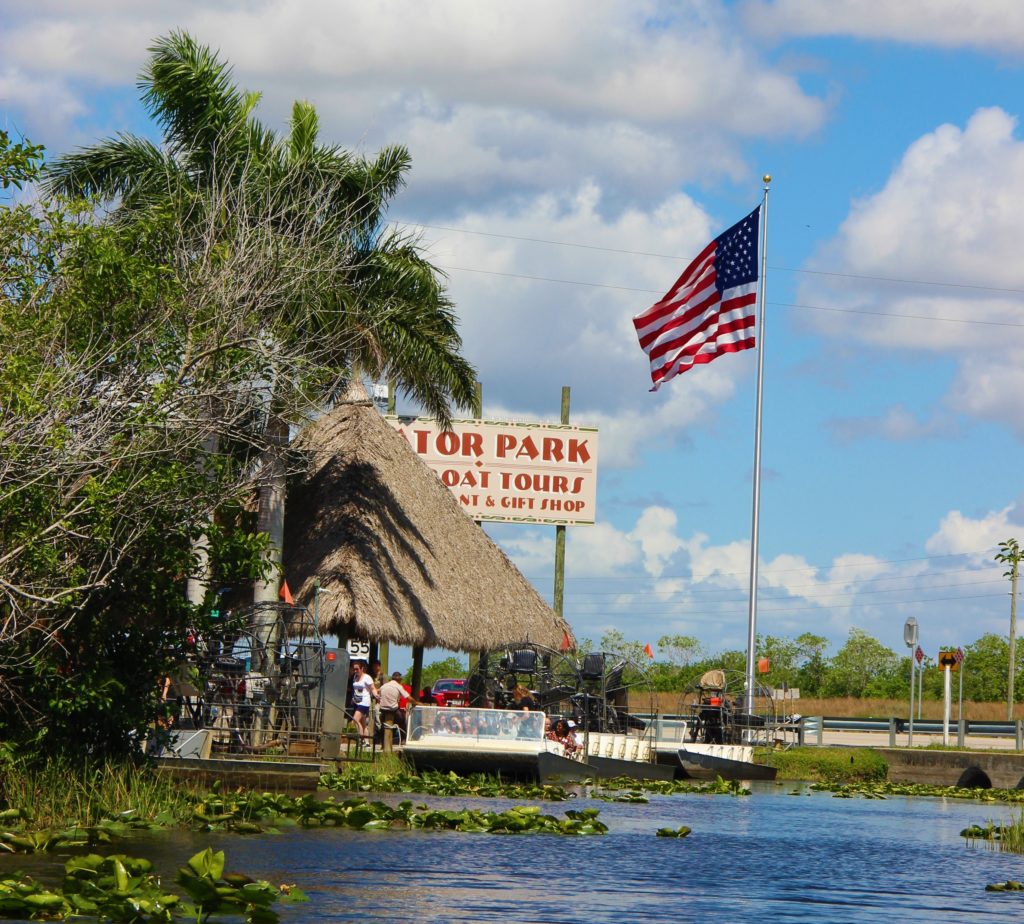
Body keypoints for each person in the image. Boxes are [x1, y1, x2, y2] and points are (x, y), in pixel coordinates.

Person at [378, 671, 413, 744]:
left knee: (382, 725)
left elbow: (377, 691)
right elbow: (408, 698)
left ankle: (382, 742)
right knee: (402, 721)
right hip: (393, 710)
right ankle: (403, 739)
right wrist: (416, 702)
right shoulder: (398, 686)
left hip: (383, 710)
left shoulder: (384, 686)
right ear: (399, 679)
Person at [350, 660, 379, 745]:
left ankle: (361, 740)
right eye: (354, 669)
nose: (355, 671)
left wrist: (376, 695)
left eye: (357, 669)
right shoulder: (355, 676)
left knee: (355, 720)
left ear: (362, 668)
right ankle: (366, 742)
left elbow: (373, 688)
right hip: (356, 702)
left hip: (364, 702)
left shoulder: (367, 677)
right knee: (363, 724)